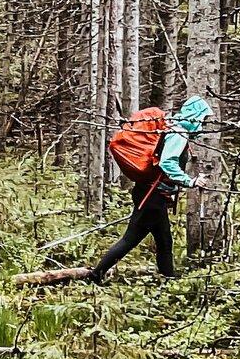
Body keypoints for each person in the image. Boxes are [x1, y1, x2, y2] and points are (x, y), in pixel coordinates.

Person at [89, 96, 213, 283]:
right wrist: (191, 181)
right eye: (202, 119)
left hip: (153, 194)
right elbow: (167, 163)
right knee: (130, 240)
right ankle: (94, 276)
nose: (203, 124)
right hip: (152, 196)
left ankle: (168, 280)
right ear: (195, 116)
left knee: (164, 241)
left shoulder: (173, 128)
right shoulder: (178, 133)